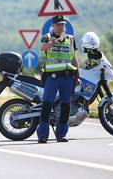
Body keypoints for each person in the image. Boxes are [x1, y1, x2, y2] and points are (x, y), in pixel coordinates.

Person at [37, 15, 79, 143]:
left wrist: (77, 76)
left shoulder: (71, 39)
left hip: (67, 77)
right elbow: (43, 48)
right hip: (52, 77)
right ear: (53, 26)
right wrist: (51, 43)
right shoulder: (47, 37)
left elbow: (73, 58)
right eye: (58, 24)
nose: (61, 27)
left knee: (65, 106)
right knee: (47, 105)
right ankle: (43, 135)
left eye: (63, 24)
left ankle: (61, 134)